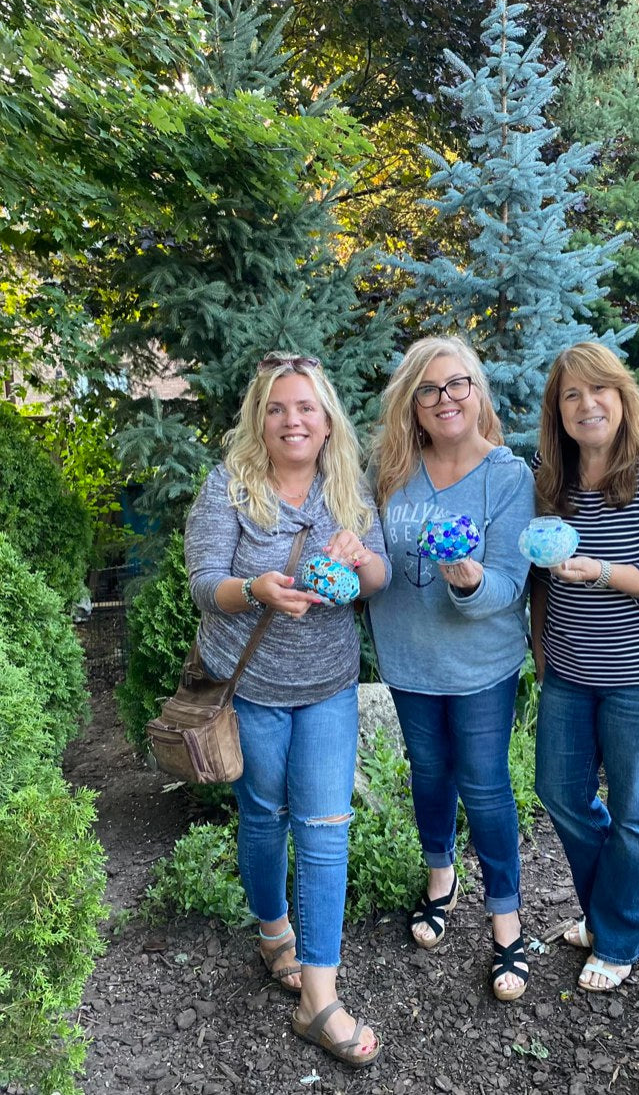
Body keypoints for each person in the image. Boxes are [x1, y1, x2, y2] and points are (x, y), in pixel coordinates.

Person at [184, 354, 390, 1067]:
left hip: (329, 688)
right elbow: (206, 583)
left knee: (327, 830)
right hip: (251, 690)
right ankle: (275, 931)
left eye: (305, 407)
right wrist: (258, 589)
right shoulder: (230, 487)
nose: (292, 419)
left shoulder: (348, 486)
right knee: (264, 817)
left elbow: (379, 576)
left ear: (327, 418)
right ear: (259, 422)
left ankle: (320, 1000)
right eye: (277, 409)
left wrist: (360, 556)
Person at [530, 341, 639, 992]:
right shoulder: (553, 481)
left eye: (598, 389)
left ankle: (620, 933)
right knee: (561, 793)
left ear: (622, 397)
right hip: (571, 675)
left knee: (634, 811)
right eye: (571, 394)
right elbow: (538, 583)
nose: (586, 404)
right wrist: (543, 656)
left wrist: (603, 572)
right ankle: (608, 907)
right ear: (560, 411)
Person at [368, 335, 535, 1001]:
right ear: (412, 403)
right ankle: (440, 877)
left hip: (480, 666)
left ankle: (507, 921)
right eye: (429, 390)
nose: (445, 400)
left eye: (457, 384)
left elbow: (510, 586)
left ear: (477, 390)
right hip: (409, 663)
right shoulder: (390, 472)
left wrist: (467, 582)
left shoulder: (507, 476)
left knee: (486, 784)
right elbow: (373, 559)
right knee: (429, 772)